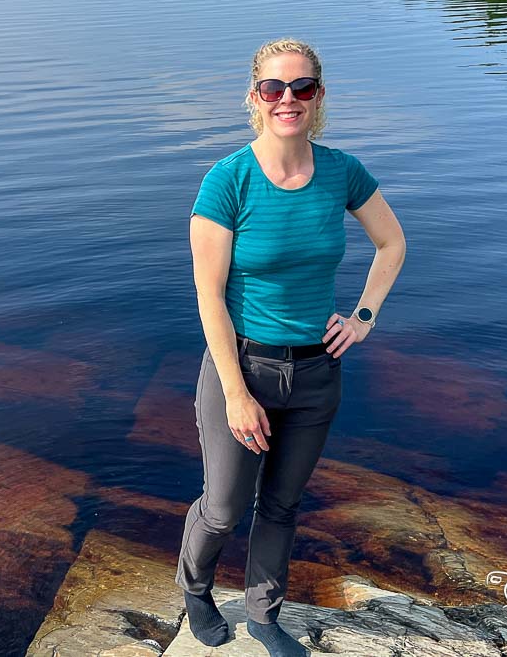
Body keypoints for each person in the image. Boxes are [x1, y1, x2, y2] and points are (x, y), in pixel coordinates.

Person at [174, 38, 406, 656]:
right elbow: (209, 297)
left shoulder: (341, 172)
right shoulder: (228, 181)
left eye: (302, 87)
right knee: (223, 508)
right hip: (241, 367)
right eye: (274, 88)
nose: (288, 100)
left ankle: (264, 615)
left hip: (316, 372)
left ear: (318, 96)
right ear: (255, 97)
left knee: (280, 503)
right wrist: (236, 393)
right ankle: (195, 589)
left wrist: (362, 316)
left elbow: (392, 245)